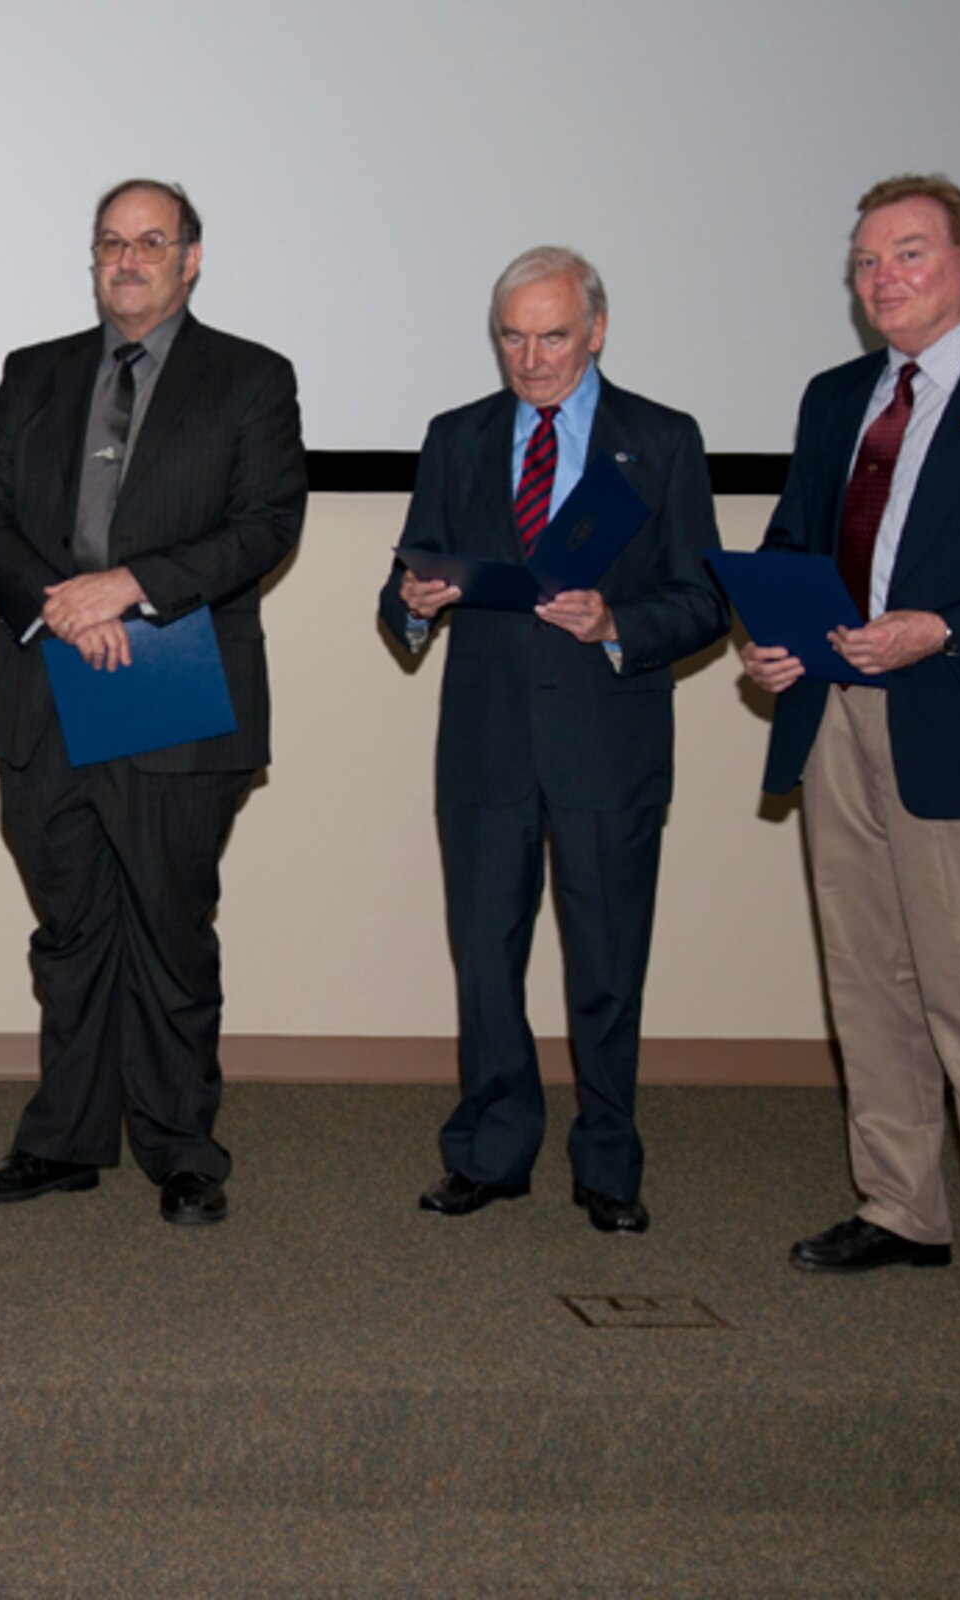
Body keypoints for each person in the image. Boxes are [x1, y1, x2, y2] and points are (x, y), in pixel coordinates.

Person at [740, 175, 960, 1338]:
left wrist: (941, 626)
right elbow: (794, 539)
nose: (883, 278)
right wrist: (772, 643)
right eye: (864, 262)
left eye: (908, 254)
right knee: (869, 979)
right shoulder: (834, 393)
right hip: (833, 713)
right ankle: (898, 1207)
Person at [0, 179, 305, 1225]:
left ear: (190, 258)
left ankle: (181, 1150)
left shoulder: (250, 377)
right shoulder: (36, 372)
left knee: (164, 923)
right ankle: (63, 1139)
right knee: (68, 927)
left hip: (171, 671)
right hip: (48, 680)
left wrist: (131, 585)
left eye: (152, 241)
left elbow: (263, 523)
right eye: (112, 241)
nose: (129, 258)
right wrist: (61, 605)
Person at [378, 246, 725, 1235]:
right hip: (484, 742)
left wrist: (616, 622)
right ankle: (489, 1149)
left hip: (604, 742)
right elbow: (404, 579)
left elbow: (701, 598)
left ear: (596, 330)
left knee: (606, 962)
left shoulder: (657, 439)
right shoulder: (457, 435)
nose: (530, 358)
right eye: (511, 336)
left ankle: (607, 1163)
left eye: (552, 336)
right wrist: (411, 604)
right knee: (485, 961)